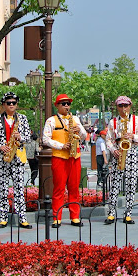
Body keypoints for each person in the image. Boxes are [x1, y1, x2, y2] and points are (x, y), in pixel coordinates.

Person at [42, 94, 87, 228]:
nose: (66, 106)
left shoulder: (76, 119)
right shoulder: (51, 120)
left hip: (75, 157)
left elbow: (85, 136)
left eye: (68, 103)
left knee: (74, 188)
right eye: (63, 104)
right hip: (59, 157)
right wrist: (61, 146)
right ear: (57, 106)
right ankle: (57, 217)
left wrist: (80, 131)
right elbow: (45, 139)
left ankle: (75, 217)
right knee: (59, 189)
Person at [0, 92, 33, 229]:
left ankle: (22, 218)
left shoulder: (23, 119)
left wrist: (21, 137)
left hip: (17, 157)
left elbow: (29, 137)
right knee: (2, 188)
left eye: (14, 103)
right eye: (9, 103)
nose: (12, 105)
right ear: (4, 104)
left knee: (19, 189)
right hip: (2, 158)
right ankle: (3, 218)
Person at [104, 96, 138, 225]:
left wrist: (132, 136)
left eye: (125, 106)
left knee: (131, 184)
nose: (123, 108)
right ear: (117, 107)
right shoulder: (113, 122)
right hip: (118, 153)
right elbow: (108, 140)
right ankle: (111, 213)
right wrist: (113, 150)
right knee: (115, 184)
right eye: (120, 106)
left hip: (132, 152)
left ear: (130, 106)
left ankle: (128, 213)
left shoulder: (136, 120)